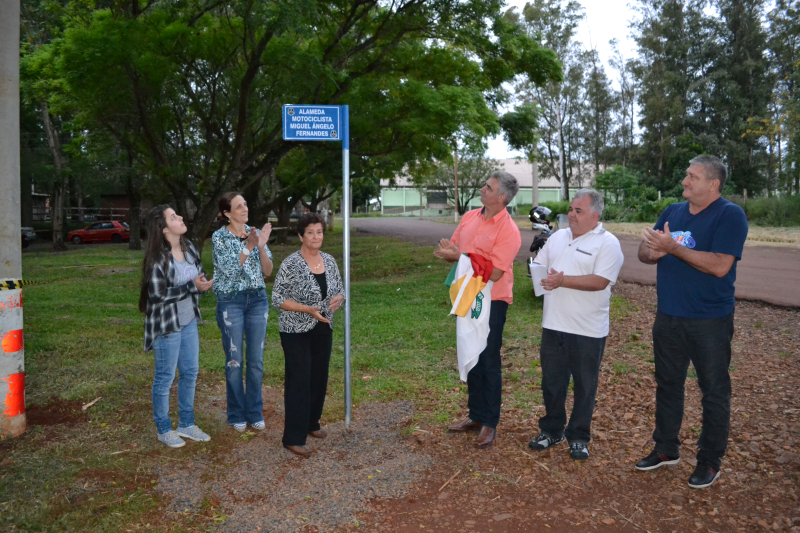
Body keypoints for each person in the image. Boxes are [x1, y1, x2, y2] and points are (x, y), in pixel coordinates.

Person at [634, 155, 748, 489]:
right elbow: (644, 253)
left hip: (709, 321)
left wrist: (672, 247)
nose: (684, 180)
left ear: (713, 184)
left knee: (713, 392)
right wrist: (654, 252)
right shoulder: (672, 212)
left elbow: (719, 266)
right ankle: (666, 448)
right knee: (668, 385)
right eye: (686, 174)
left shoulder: (730, 215)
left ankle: (710, 461)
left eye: (692, 176)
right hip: (668, 316)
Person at [527, 189, 624, 461]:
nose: (571, 214)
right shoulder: (558, 236)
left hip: (587, 329)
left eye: (578, 211)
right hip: (553, 324)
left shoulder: (608, 243)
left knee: (585, 386)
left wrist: (562, 280)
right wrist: (540, 274)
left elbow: (600, 281)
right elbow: (539, 265)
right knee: (552, 383)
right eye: (570, 209)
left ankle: (579, 437)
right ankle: (552, 430)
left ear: (595, 215)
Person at [434, 171, 522, 448]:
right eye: (484, 185)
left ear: (502, 197)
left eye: (488, 187)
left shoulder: (509, 230)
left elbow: (495, 273)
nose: (482, 190)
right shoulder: (470, 216)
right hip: (466, 296)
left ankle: (489, 423)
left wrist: (458, 256)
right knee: (469, 352)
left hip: (492, 300)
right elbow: (458, 248)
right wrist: (449, 249)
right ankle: (475, 415)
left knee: (488, 360)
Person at [140, 205, 214, 448]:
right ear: (163, 229)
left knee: (190, 372)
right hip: (167, 325)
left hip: (189, 320)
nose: (181, 217)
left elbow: (195, 276)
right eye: (174, 217)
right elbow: (157, 294)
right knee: (165, 377)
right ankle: (163, 429)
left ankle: (186, 424)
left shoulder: (189, 248)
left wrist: (201, 283)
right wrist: (193, 286)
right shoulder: (158, 258)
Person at [271, 213, 345, 457]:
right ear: (301, 236)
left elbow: (340, 290)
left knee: (319, 377)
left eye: (319, 232)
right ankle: (293, 437)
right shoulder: (291, 264)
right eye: (310, 232)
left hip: (323, 327)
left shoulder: (329, 260)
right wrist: (306, 309)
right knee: (299, 380)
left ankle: (312, 423)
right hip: (295, 330)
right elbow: (278, 299)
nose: (316, 236)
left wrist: (338, 299)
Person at [212, 192, 273, 432]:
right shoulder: (219, 237)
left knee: (256, 362)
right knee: (234, 362)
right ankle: (237, 413)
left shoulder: (254, 233)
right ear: (227, 213)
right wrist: (248, 247)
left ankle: (254, 411)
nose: (245, 208)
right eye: (239, 206)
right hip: (231, 302)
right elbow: (228, 270)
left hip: (258, 299)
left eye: (245, 204)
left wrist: (260, 245)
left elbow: (267, 271)